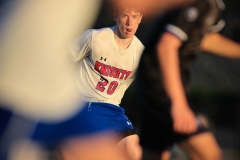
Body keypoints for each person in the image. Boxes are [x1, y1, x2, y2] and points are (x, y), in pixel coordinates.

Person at [135, 0, 240, 159]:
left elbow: (206, 39)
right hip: (160, 84)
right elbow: (166, 46)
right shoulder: (201, 3)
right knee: (210, 155)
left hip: (154, 81)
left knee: (155, 154)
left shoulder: (212, 5)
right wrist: (178, 105)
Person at [61, 0, 145, 160]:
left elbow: (152, 85)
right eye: (125, 16)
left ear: (140, 18)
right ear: (115, 15)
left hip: (111, 111)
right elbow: (64, 56)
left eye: (135, 17)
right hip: (81, 106)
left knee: (136, 153)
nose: (130, 22)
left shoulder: (141, 54)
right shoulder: (95, 37)